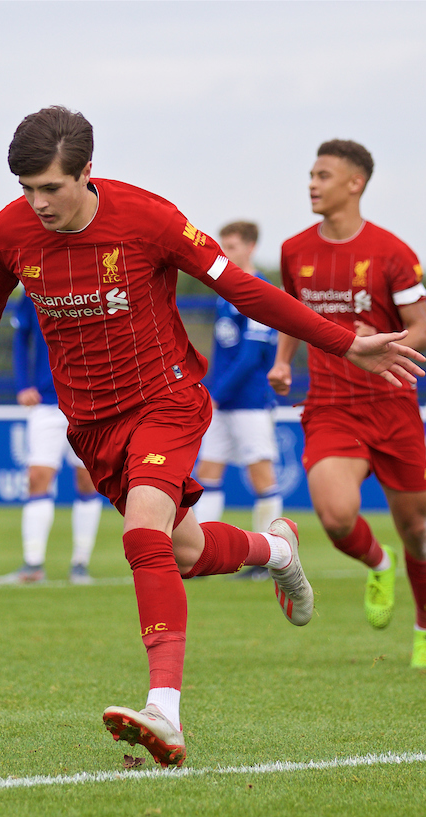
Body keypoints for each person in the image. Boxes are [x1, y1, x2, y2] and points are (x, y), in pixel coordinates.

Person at [0, 107, 425, 767]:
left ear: (86, 173)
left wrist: (344, 343)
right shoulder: (10, 231)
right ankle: (273, 550)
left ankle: (164, 710)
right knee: (183, 551)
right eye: (27, 188)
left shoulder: (150, 219)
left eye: (51, 187)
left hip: (166, 401)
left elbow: (245, 291)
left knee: (143, 534)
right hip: (91, 423)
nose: (37, 203)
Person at [268, 139, 426, 669]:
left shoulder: (391, 252)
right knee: (337, 517)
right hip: (330, 405)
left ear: (355, 183)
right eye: (310, 175)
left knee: (416, 528)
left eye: (323, 175)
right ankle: (377, 561)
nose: (312, 184)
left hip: (391, 409)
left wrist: (388, 343)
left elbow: (424, 331)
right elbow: (293, 313)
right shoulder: (295, 250)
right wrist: (283, 362)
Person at [192, 221, 282, 581]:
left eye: (231, 246)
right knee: (207, 473)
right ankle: (202, 555)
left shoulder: (259, 289)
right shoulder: (223, 293)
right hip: (223, 401)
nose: (225, 253)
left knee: (261, 476)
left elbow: (250, 357)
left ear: (250, 248)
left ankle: (272, 555)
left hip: (248, 402)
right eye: (222, 246)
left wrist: (217, 394)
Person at [0, 289, 104, 585]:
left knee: (88, 480)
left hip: (90, 403)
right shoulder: (34, 286)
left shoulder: (95, 284)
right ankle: (33, 565)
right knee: (37, 478)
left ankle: (80, 564)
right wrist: (22, 384)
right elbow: (21, 338)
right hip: (47, 402)